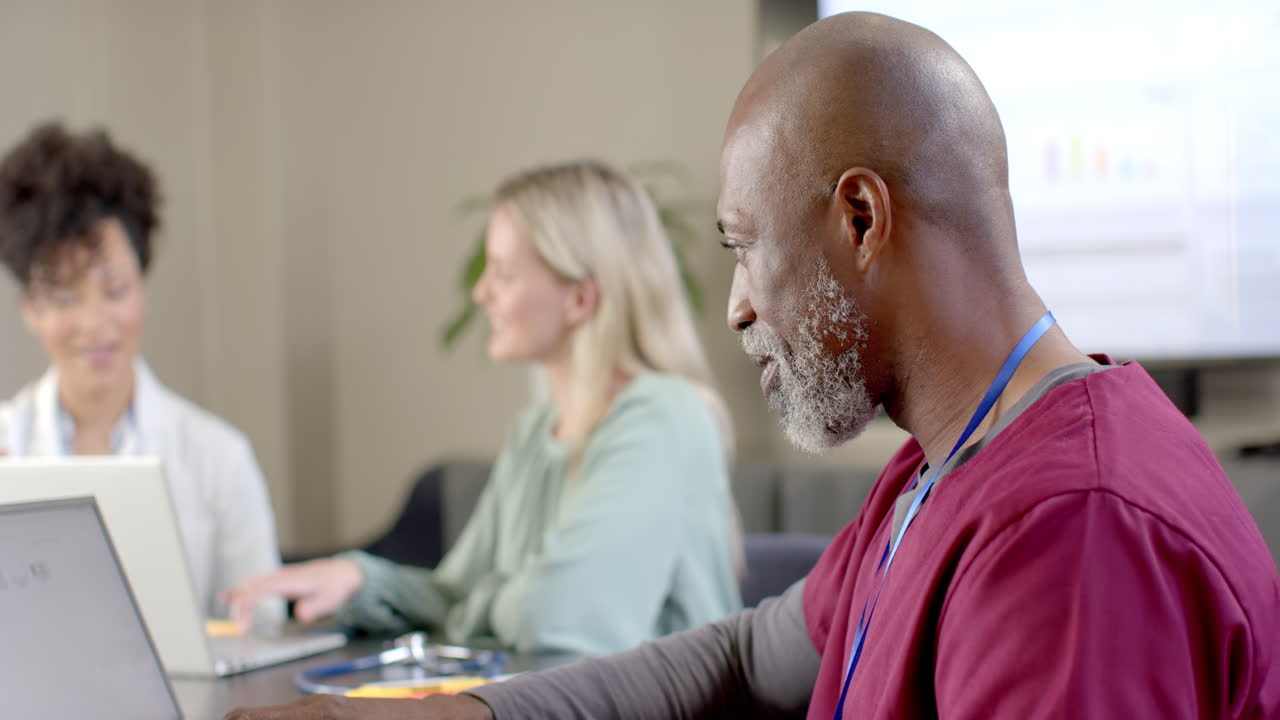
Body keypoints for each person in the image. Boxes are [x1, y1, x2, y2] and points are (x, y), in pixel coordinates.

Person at [225, 12, 1280, 720]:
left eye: (743, 247)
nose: (734, 306)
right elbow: (747, 657)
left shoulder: (1069, 534)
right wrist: (471, 714)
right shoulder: (937, 470)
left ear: (858, 219)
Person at [225, 160, 743, 656]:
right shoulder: (537, 430)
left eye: (504, 272)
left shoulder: (663, 417)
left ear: (579, 299)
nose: (481, 293)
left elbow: (557, 618)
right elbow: (456, 591)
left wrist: (491, 599)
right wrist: (359, 578)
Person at [0, 121, 284, 624]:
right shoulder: (7, 439)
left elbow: (263, 634)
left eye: (115, 291)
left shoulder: (218, 457)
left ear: (143, 289)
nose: (94, 324)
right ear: (29, 310)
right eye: (65, 298)